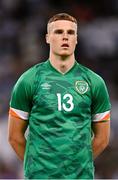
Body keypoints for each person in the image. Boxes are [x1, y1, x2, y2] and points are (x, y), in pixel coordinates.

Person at [8, 13, 111, 179]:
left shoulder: (94, 82)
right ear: (48, 38)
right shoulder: (29, 80)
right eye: (58, 32)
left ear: (76, 39)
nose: (65, 37)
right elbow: (14, 137)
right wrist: (37, 167)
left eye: (70, 33)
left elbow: (102, 138)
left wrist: (77, 166)